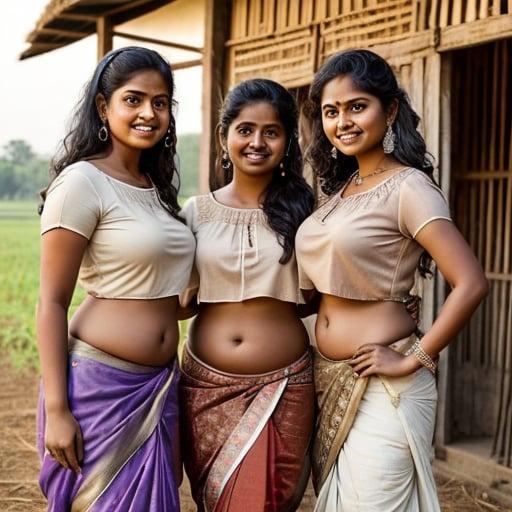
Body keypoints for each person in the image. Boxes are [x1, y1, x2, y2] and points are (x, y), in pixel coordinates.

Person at [295, 49, 489, 511]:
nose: (342, 121)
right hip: (329, 382)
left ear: (392, 109)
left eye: (357, 106)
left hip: (386, 388)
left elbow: (471, 282)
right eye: (330, 111)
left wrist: (412, 360)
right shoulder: (338, 194)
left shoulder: (409, 188)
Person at [36, 46, 195, 511]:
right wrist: (59, 409)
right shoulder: (82, 182)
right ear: (104, 107)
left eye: (161, 102)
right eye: (134, 99)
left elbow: (159, 294)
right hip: (102, 391)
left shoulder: (158, 191)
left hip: (159, 388)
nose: (149, 112)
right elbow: (50, 303)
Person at [178, 78, 316, 512]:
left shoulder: (306, 213)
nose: (257, 142)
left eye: (271, 132)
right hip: (205, 389)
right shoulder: (195, 213)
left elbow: (328, 291)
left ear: (287, 142)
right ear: (224, 137)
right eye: (245, 130)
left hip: (283, 386)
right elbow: (175, 302)